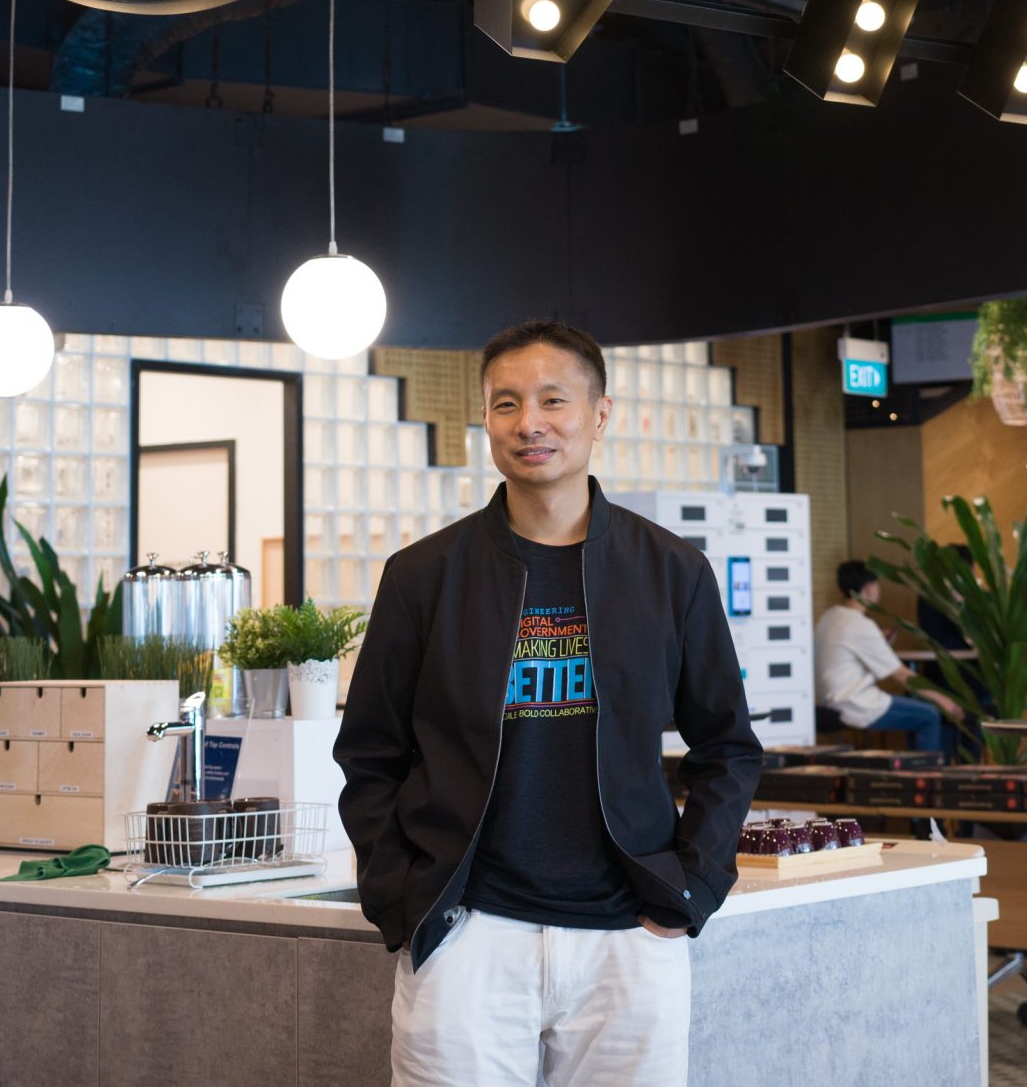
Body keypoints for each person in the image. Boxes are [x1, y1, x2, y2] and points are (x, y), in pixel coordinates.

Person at [336, 320, 760, 1087]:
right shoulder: (423, 575)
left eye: (553, 399)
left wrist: (692, 887)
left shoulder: (671, 571)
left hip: (627, 940)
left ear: (600, 415)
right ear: (488, 421)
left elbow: (727, 746)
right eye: (506, 403)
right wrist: (400, 894)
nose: (529, 421)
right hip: (469, 931)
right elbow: (369, 754)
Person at [814, 561, 967, 754]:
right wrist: (942, 699)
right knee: (929, 715)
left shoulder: (830, 617)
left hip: (828, 702)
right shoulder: (860, 624)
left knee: (921, 712)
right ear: (869, 588)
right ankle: (924, 777)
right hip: (855, 704)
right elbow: (902, 675)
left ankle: (914, 773)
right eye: (877, 585)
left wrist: (880, 642)